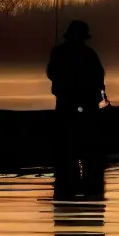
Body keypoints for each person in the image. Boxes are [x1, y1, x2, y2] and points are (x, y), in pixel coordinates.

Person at [47, 19, 107, 197]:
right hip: (81, 108)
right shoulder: (87, 54)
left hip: (69, 107)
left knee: (69, 152)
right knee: (86, 153)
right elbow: (99, 79)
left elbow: (51, 73)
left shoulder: (60, 53)